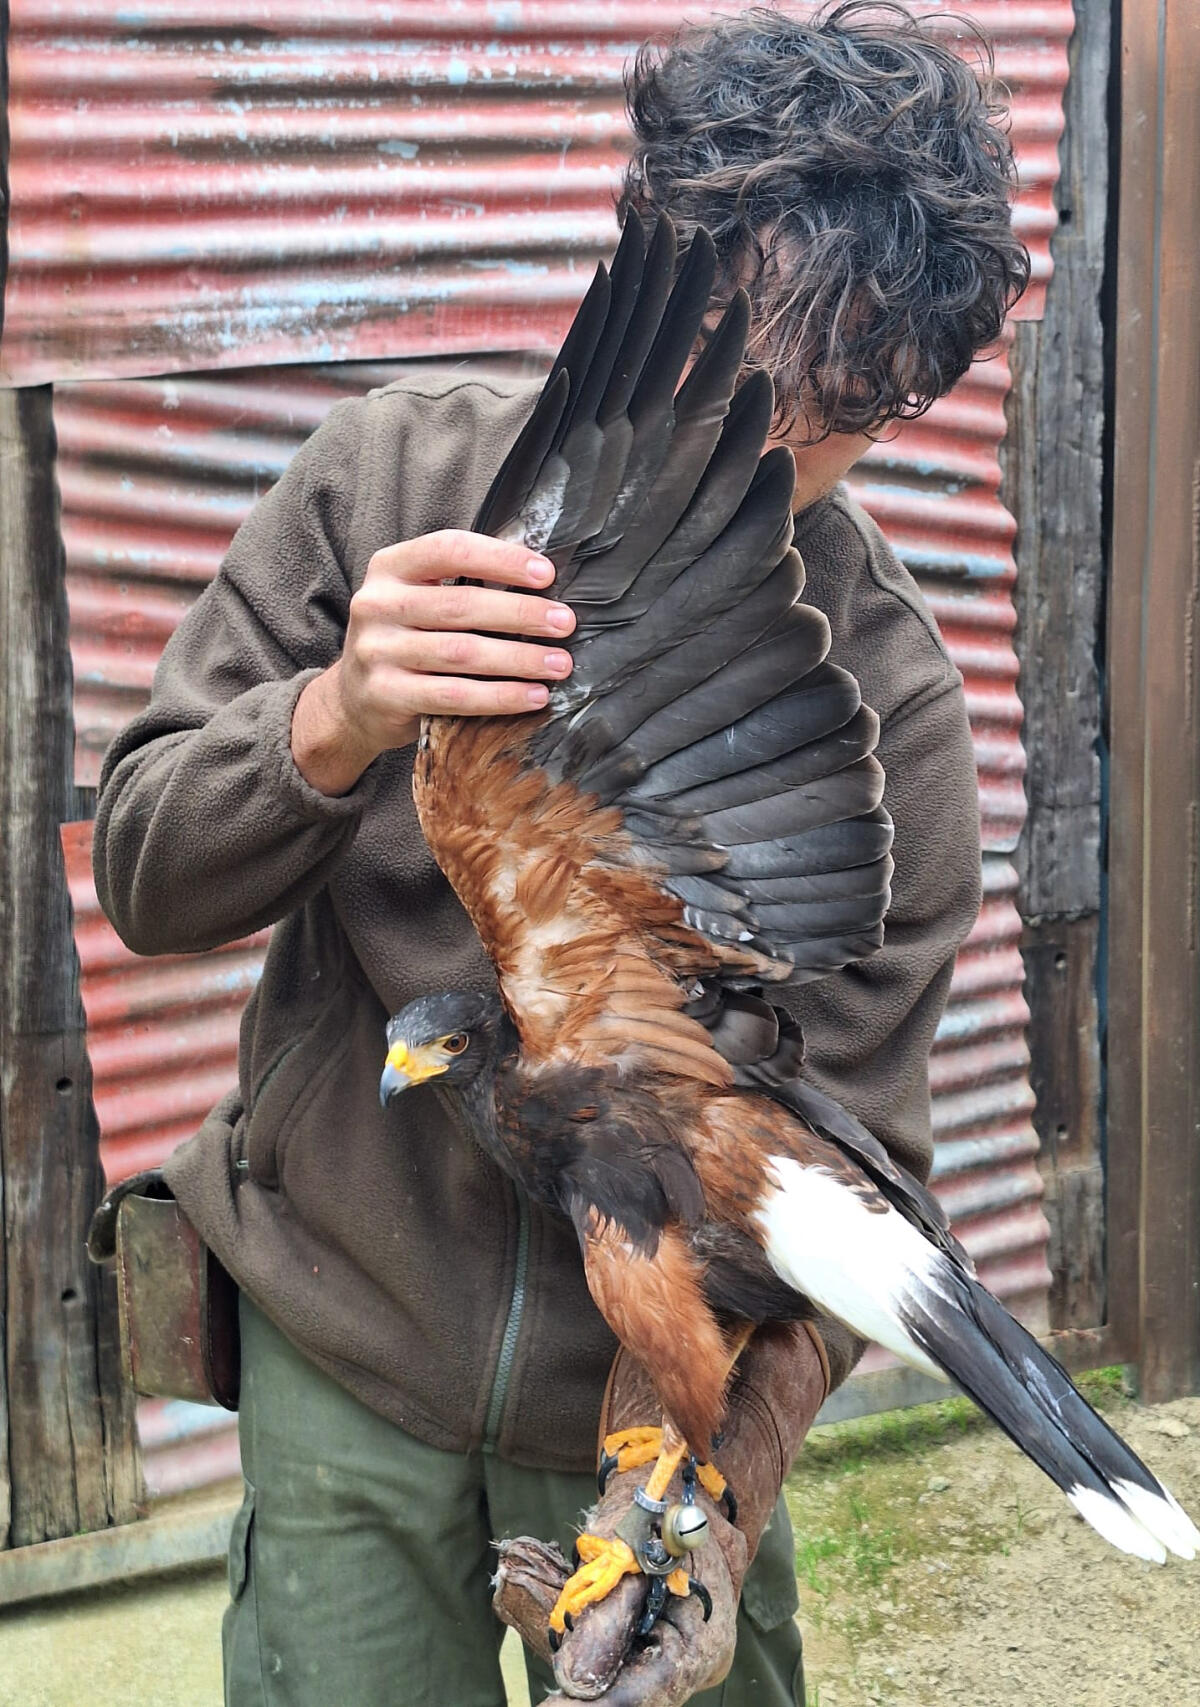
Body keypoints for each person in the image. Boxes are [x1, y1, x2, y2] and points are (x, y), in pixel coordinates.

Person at [92, 5, 1028, 1703]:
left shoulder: (891, 699)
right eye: (753, 361)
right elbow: (146, 877)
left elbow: (847, 1181)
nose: (779, 446)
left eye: (855, 407)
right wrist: (339, 714)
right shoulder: (394, 481)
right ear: (662, 269)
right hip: (346, 1346)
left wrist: (699, 1513)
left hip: (664, 1393)